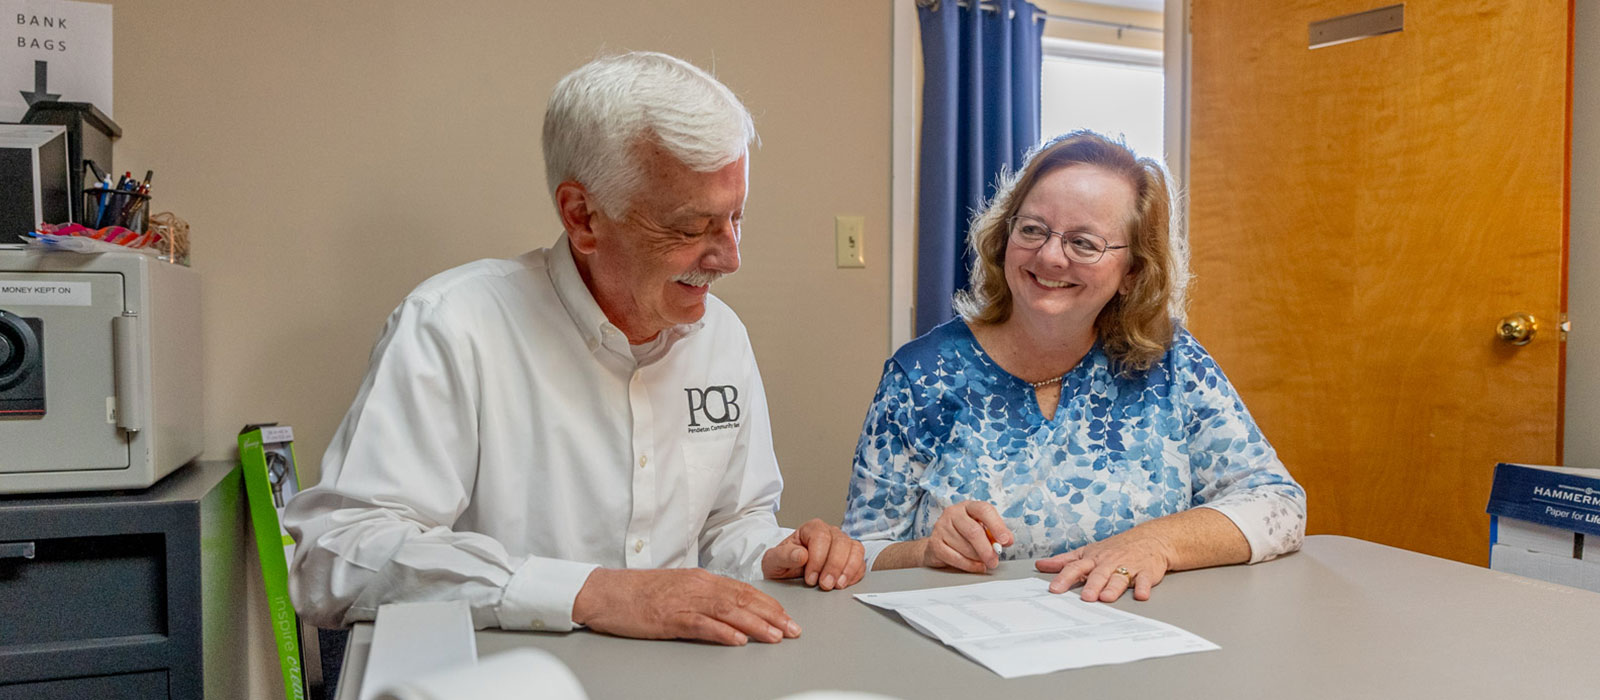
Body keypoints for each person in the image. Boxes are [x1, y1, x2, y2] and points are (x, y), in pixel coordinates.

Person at [285, 51, 865, 647]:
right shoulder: (453, 327)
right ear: (583, 216)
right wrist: (593, 593)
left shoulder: (722, 338)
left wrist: (773, 554)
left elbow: (728, 526)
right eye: (691, 228)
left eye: (736, 218)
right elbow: (336, 555)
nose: (730, 258)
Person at [842, 131, 1305, 603]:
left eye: (1084, 243)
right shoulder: (922, 375)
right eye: (1032, 230)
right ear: (1005, 238)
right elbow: (858, 552)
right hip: (969, 651)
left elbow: (1278, 504)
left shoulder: (1170, 362)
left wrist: (1156, 542)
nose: (1049, 256)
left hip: (1146, 645)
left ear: (1132, 274)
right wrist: (927, 552)